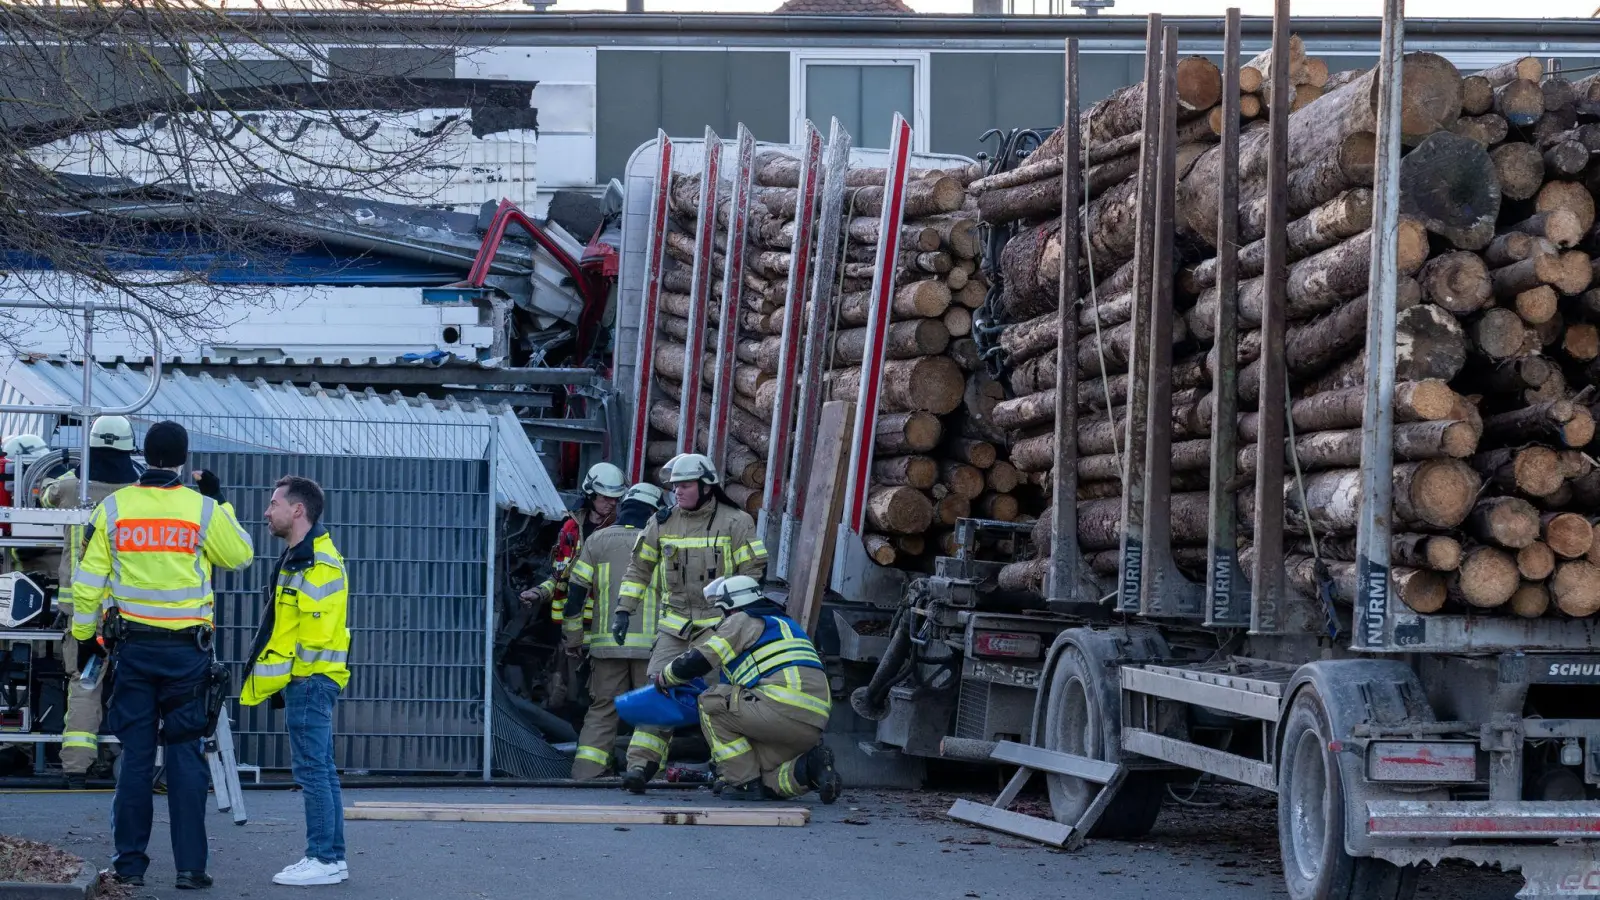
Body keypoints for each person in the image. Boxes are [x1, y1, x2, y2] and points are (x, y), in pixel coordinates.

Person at [70, 420, 255, 890]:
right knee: (185, 758)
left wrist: (86, 634)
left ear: (143, 455)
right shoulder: (201, 509)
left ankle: (129, 865)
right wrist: (221, 500)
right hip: (186, 657)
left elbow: (88, 581)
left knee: (135, 758)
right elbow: (241, 556)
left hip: (132, 651)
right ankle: (191, 869)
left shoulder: (114, 509)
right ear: (182, 460)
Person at [616, 453, 766, 793]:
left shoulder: (736, 522)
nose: (677, 492)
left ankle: (732, 775)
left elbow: (753, 575)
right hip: (675, 629)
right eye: (674, 487)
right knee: (657, 692)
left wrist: (742, 624)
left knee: (718, 703)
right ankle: (640, 767)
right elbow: (638, 569)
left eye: (684, 485)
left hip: (719, 629)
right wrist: (624, 609)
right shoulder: (662, 522)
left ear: (705, 485)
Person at [240, 476, 351, 887]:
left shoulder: (315, 563)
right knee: (321, 770)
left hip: (309, 682)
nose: (267, 512)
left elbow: (314, 636)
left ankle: (322, 859)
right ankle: (331, 858)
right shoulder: (303, 557)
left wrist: (293, 677)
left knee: (313, 772)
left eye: (273, 504)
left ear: (297, 510)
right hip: (309, 681)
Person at [654, 575, 840, 803]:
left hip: (779, 711)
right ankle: (812, 767)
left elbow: (700, 659)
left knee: (711, 702)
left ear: (731, 607)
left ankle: (743, 784)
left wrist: (665, 677)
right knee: (763, 776)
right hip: (811, 725)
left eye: (722, 611)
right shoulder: (786, 625)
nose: (721, 618)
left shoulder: (742, 619)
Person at [40, 415, 142, 788]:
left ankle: (76, 768)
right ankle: (128, 762)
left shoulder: (70, 488)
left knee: (85, 685)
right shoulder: (138, 491)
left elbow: (43, 494)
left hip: (83, 611)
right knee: (135, 686)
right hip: (132, 611)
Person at [562, 482, 665, 779]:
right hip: (653, 648)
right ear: (655, 512)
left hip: (606, 647)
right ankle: (647, 773)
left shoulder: (597, 541)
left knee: (602, 709)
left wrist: (573, 639)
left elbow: (575, 597)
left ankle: (585, 772)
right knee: (652, 710)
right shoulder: (662, 540)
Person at [520, 462, 626, 707]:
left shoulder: (619, 531)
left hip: (605, 628)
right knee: (563, 693)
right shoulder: (570, 528)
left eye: (615, 498)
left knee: (600, 695)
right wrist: (538, 593)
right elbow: (560, 578)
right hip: (571, 630)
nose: (611, 503)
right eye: (605, 497)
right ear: (590, 495)